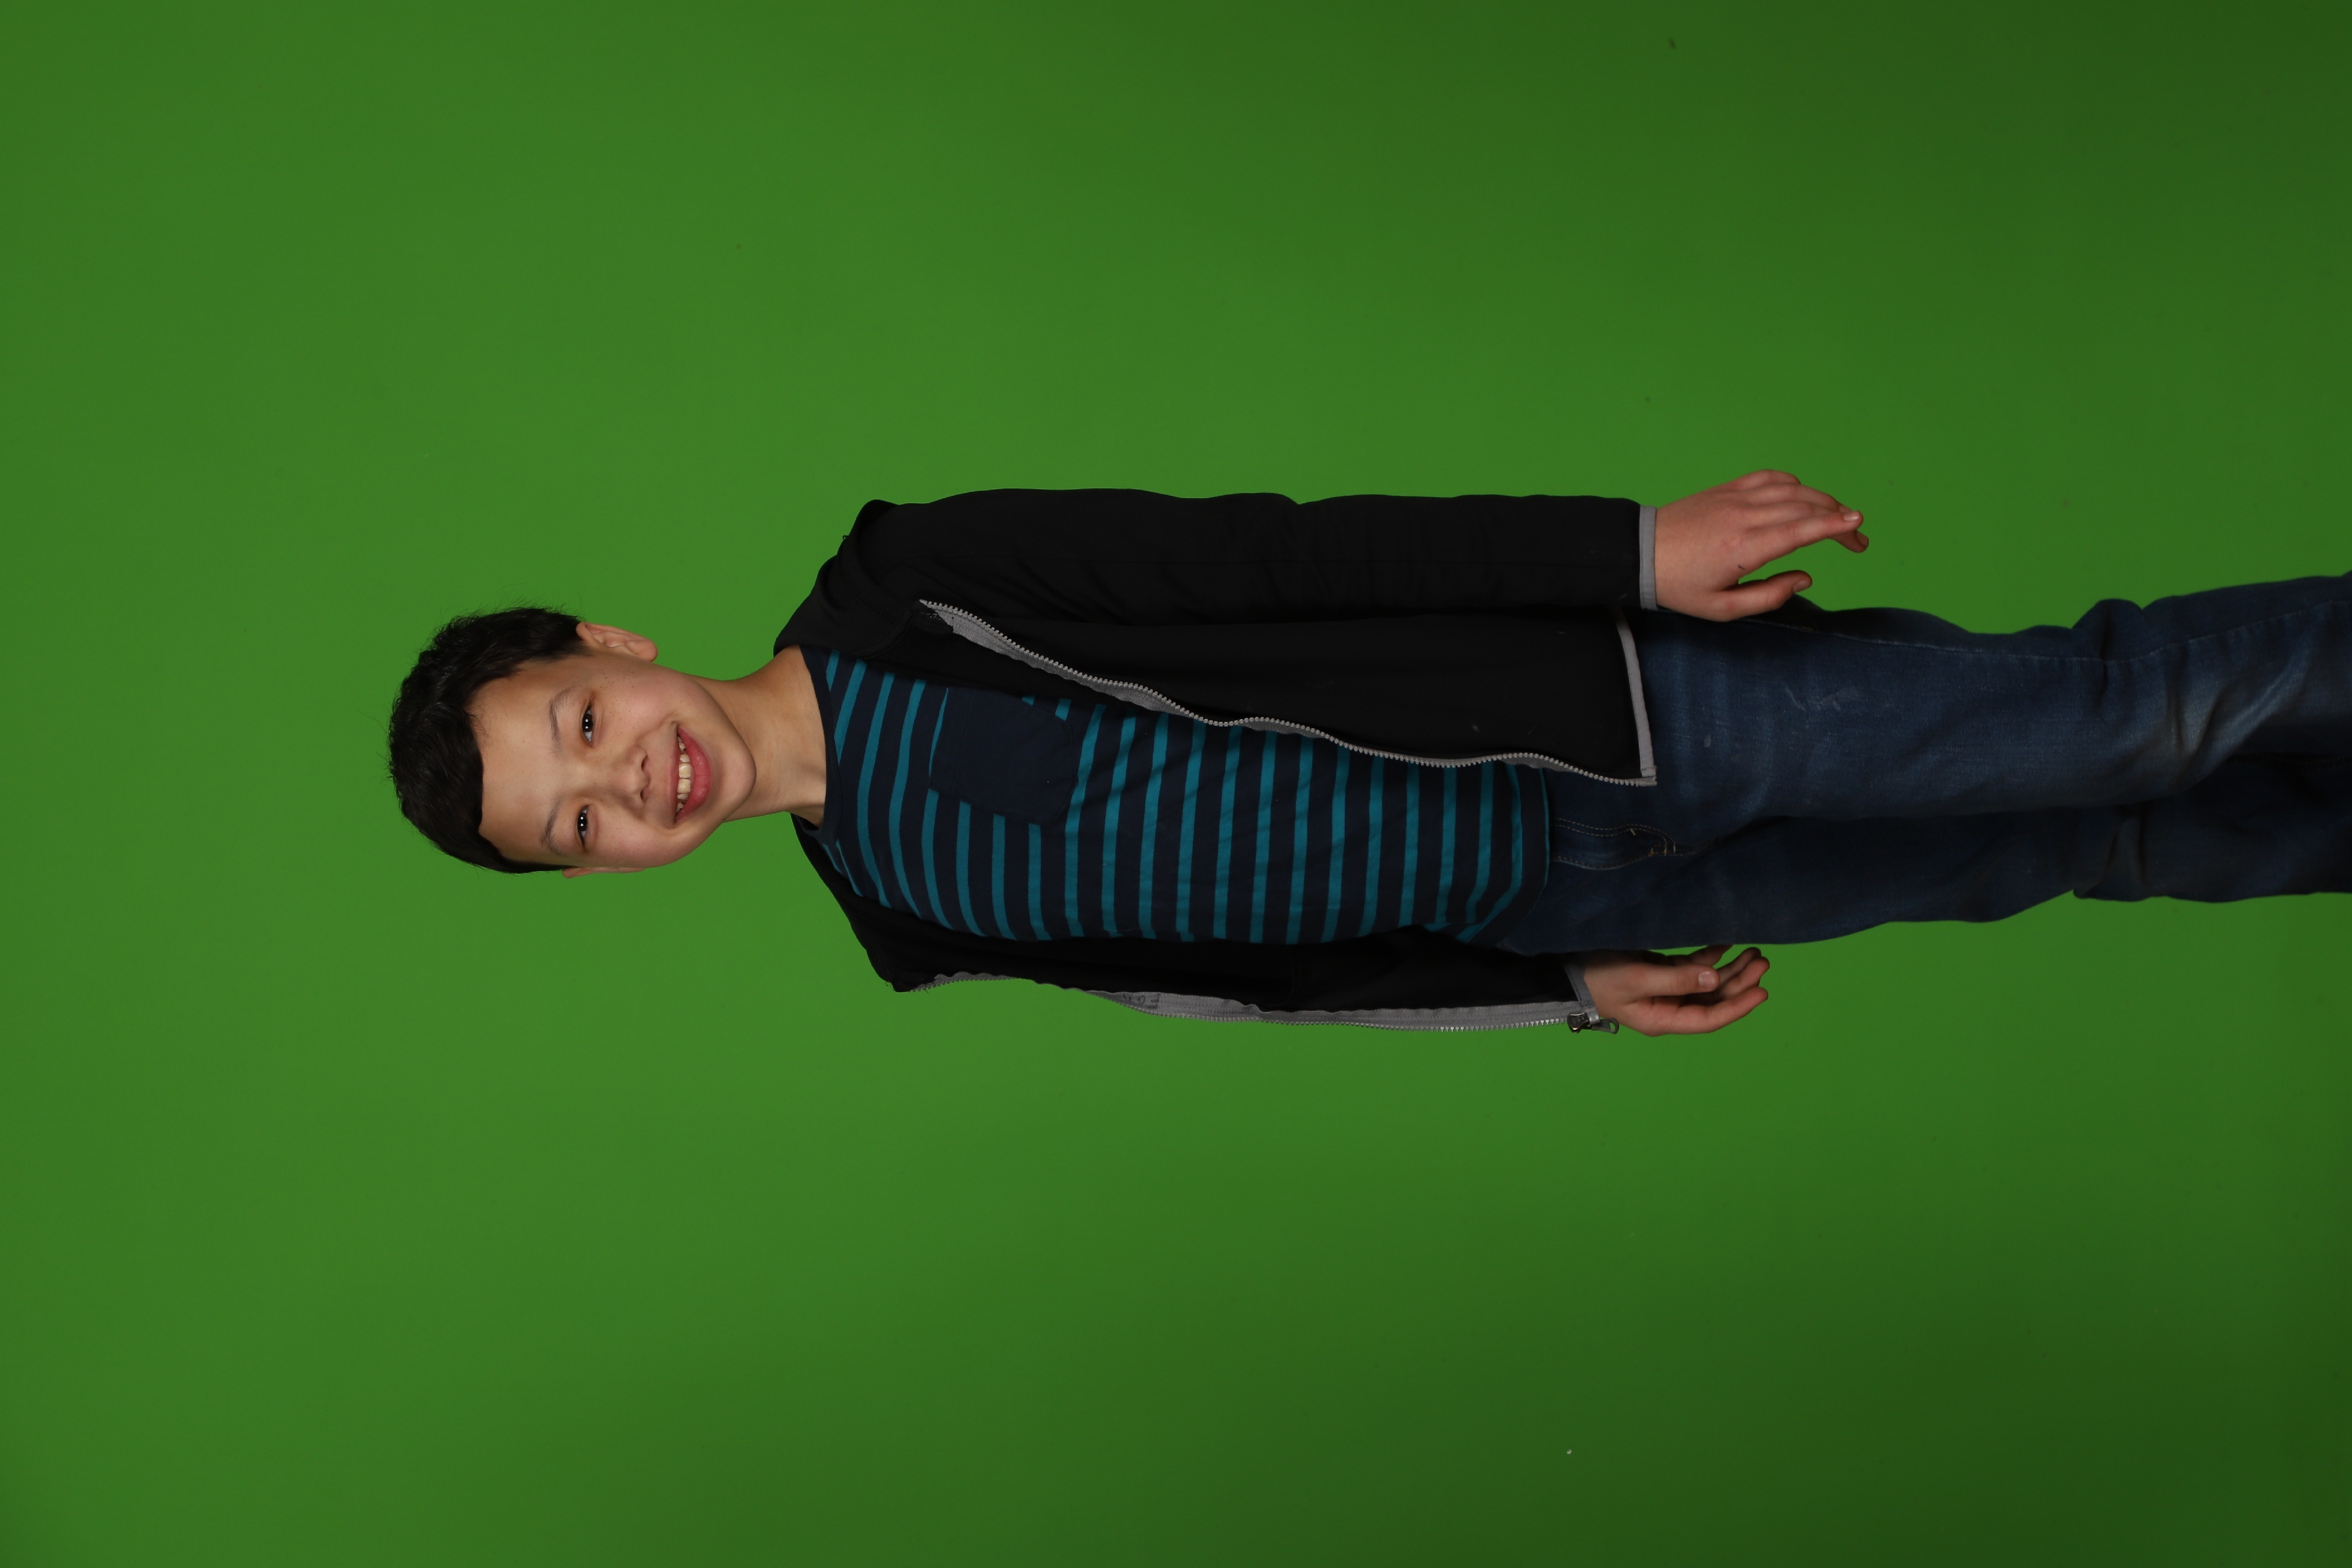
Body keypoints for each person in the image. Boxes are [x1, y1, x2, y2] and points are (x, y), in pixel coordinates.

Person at [387, 473, 2352, 1035]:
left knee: (2114, 715)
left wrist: (1624, 552)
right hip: (1573, 896)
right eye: (581, 829)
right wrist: (1559, 991)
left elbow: (1288, 557)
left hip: (1615, 720)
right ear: (601, 875)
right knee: (2089, 846)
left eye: (583, 726)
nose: (627, 784)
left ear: (611, 645)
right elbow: (1263, 989)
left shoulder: (917, 589)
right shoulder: (900, 917)